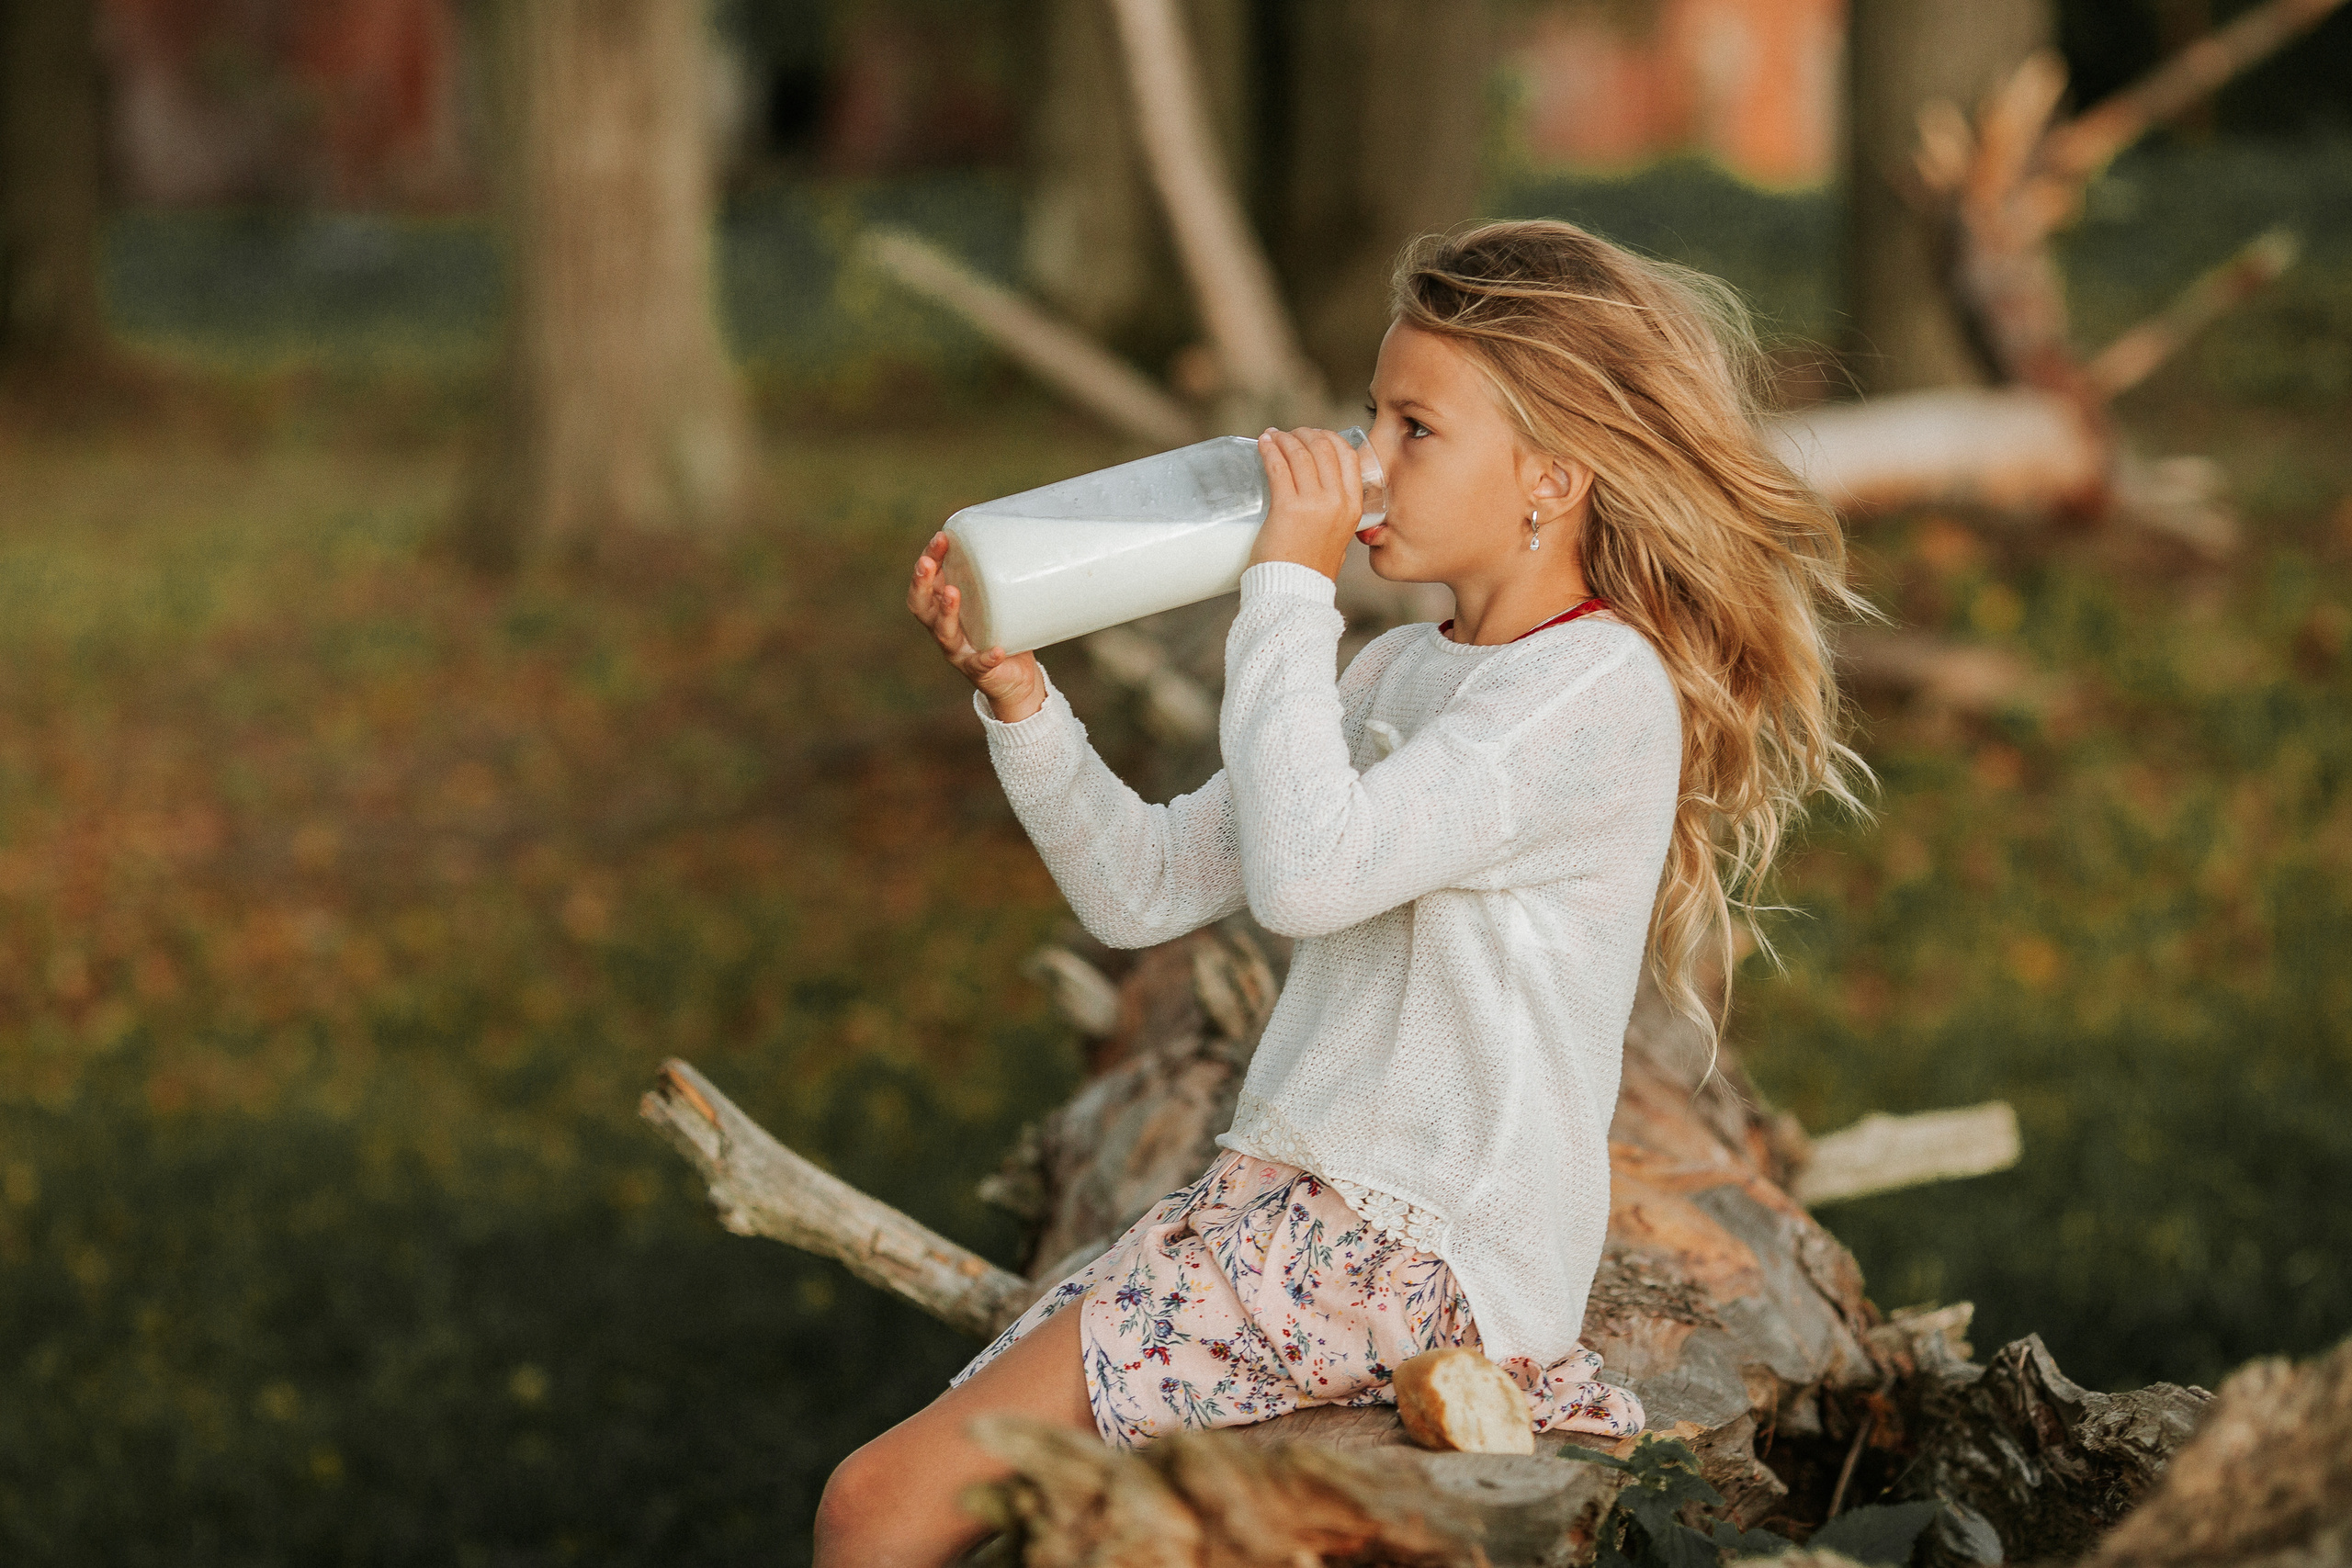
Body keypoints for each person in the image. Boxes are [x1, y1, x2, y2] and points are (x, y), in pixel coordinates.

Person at [820, 220, 1864, 1567]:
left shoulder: (1595, 694)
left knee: (875, 1510)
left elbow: (1310, 880)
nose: (1367, 458)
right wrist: (1021, 701)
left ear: (1551, 478)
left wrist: (1286, 584)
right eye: (1372, 414)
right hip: (1294, 1216)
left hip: (1407, 1252)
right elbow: (1144, 890)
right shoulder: (1396, 675)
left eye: (1415, 427)